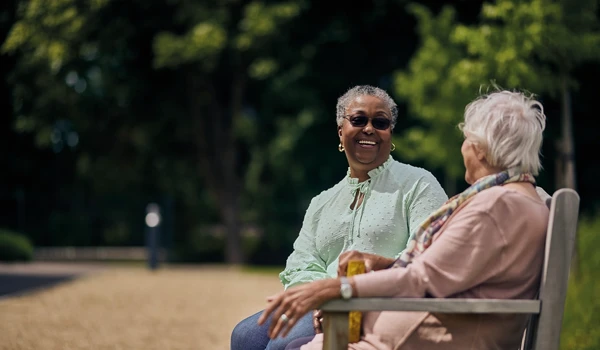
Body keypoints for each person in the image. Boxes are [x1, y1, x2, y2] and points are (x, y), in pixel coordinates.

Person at [258, 90, 549, 350]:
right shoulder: (509, 199)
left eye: (467, 140)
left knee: (290, 345)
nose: (463, 148)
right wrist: (379, 264)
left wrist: (337, 290)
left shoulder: (493, 205)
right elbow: (439, 270)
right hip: (408, 326)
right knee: (255, 337)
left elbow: (422, 278)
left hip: (407, 336)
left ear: (482, 148)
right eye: (358, 120)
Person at [230, 85, 448, 350]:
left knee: (282, 344)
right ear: (340, 130)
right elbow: (302, 261)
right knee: (244, 336)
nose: (369, 129)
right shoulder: (322, 202)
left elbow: (426, 256)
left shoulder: (419, 184)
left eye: (380, 122)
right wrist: (319, 297)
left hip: (381, 303)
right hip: (320, 302)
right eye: (358, 120)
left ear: (390, 134)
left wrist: (345, 293)